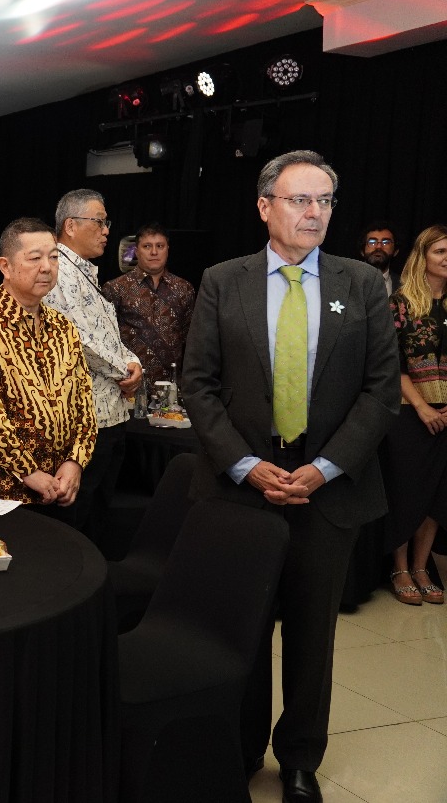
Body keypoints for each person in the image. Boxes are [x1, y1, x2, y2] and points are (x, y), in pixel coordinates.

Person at [181, 150, 399, 802]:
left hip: (326, 488)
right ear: (264, 206)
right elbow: (198, 385)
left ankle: (300, 757)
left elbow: (381, 390)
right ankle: (243, 745)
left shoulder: (363, 284)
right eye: (300, 199)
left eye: (324, 200)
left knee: (312, 633)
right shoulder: (224, 281)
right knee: (242, 626)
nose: (314, 212)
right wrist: (247, 466)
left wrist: (324, 468)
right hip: (242, 486)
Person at [0, 218, 96, 519]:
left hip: (58, 490)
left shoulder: (64, 327)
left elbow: (84, 402)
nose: (47, 267)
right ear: (5, 266)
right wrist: (27, 470)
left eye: (53, 257)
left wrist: (75, 461)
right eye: (35, 258)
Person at [44, 188, 143, 543]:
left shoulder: (84, 271)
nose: (106, 230)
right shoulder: (55, 270)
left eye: (106, 223)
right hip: (86, 421)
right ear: (71, 226)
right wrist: (125, 369)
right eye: (99, 222)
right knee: (74, 523)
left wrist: (133, 360)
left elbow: (106, 336)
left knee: (97, 519)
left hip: (110, 412)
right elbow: (76, 338)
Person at [386, 224, 447, 605]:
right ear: (422, 257)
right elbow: (390, 364)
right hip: (409, 412)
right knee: (406, 491)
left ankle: (422, 567)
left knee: (438, 494)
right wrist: (423, 407)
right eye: (440, 251)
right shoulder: (401, 303)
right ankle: (400, 568)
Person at [102, 222, 196, 388]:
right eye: (147, 246)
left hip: (173, 386)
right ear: (136, 251)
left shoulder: (184, 289)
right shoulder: (115, 288)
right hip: (129, 384)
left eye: (160, 246)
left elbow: (191, 340)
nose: (154, 252)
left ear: (167, 249)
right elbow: (106, 340)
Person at [359, 221, 400, 295]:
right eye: (372, 242)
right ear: (362, 251)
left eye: (386, 242)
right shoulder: (346, 280)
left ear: (395, 251)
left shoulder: (403, 285)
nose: (379, 247)